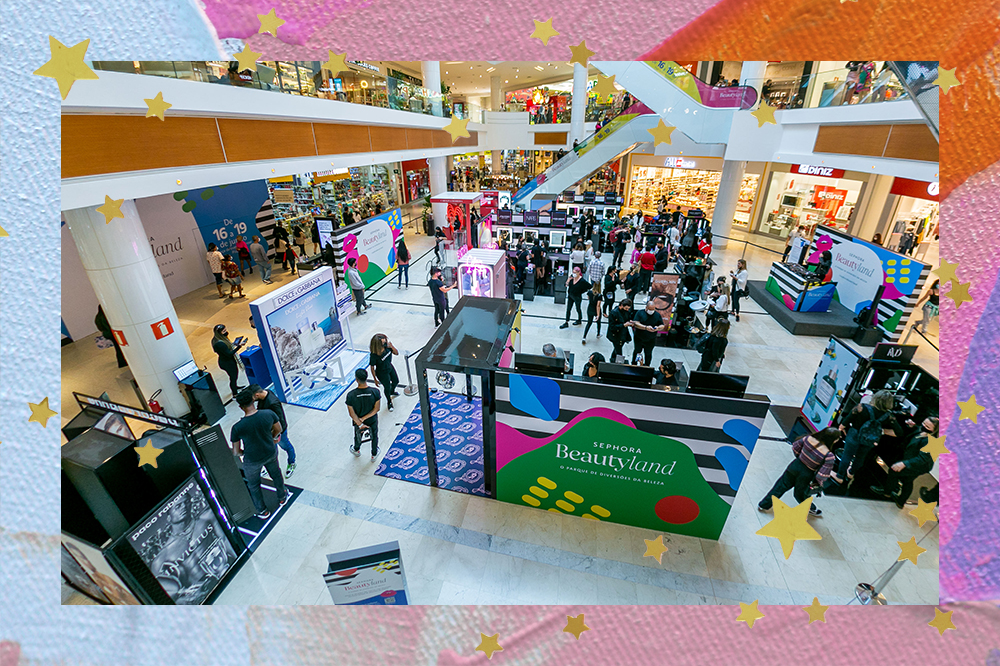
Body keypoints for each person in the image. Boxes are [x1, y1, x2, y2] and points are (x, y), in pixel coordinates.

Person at [757, 427, 842, 518]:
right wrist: (820, 483)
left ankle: (763, 505)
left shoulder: (808, 439)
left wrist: (800, 457)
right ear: (833, 440)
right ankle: (810, 508)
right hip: (806, 474)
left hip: (795, 466)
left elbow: (795, 447)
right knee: (800, 494)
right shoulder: (829, 455)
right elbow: (821, 475)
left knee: (780, 486)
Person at [230, 388, 289, 518]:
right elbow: (278, 429)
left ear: (240, 407)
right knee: (276, 475)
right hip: (270, 452)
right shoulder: (268, 414)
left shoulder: (237, 427)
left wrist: (244, 452)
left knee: (254, 485)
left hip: (252, 460)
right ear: (253, 400)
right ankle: (282, 497)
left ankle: (262, 510)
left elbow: (235, 452)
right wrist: (272, 439)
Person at [831, 390, 897, 485]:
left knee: (847, 455)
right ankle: (851, 473)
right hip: (870, 439)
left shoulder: (861, 407)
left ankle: (840, 476)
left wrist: (841, 428)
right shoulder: (889, 416)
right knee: (860, 458)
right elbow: (898, 432)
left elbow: (847, 420)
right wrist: (882, 431)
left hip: (854, 435)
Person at [871, 417, 938, 509]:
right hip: (913, 460)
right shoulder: (923, 432)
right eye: (924, 423)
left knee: (894, 471)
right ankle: (901, 500)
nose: (923, 426)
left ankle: (887, 492)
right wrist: (913, 426)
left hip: (917, 465)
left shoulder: (931, 443)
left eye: (927, 426)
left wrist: (904, 464)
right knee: (908, 480)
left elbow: (921, 459)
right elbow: (918, 431)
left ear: (934, 430)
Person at [252, 384, 296, 478]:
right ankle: (270, 468)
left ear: (257, 395)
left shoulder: (272, 403)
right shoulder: (266, 393)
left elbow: (280, 420)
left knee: (285, 445)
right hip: (268, 430)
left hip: (278, 431)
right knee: (271, 451)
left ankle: (292, 463)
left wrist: (275, 435)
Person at [346, 368, 382, 461]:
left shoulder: (351, 395)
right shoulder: (375, 392)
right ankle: (374, 454)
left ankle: (356, 449)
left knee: (358, 435)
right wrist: (365, 417)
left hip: (358, 421)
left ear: (356, 379)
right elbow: (376, 409)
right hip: (372, 420)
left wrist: (360, 423)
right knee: (374, 435)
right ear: (366, 377)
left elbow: (351, 413)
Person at [629, 297, 665, 366]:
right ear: (646, 307)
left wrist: (657, 328)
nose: (651, 311)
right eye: (650, 309)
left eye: (653, 309)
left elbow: (662, 325)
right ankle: (634, 364)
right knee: (637, 351)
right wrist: (645, 327)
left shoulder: (657, 315)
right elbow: (636, 323)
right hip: (639, 338)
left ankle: (647, 365)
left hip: (651, 339)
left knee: (648, 353)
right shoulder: (640, 313)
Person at [212, 324, 246, 399]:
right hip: (227, 363)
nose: (226, 332)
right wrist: (239, 346)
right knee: (233, 377)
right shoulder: (220, 343)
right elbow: (229, 354)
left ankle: (235, 387)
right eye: (224, 331)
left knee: (234, 377)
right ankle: (235, 394)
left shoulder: (217, 339)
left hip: (227, 361)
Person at [369, 333, 400, 412]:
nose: (385, 342)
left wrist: (391, 346)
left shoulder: (387, 347)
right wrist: (375, 379)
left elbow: (396, 353)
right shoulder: (374, 355)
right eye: (383, 342)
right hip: (382, 372)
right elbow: (372, 367)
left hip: (389, 367)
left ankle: (392, 391)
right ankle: (389, 402)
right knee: (387, 387)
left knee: (396, 381)